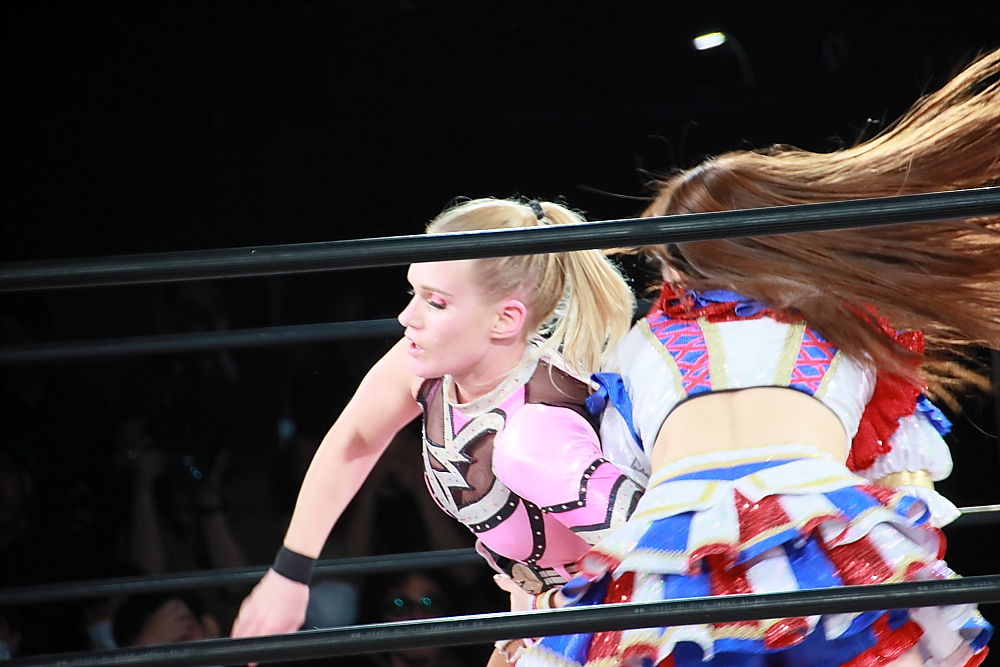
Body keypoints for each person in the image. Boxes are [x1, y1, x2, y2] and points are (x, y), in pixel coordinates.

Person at [517, 50, 999, 667]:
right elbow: (906, 483)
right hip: (818, 533)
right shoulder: (850, 321)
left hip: (674, 549)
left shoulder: (636, 345)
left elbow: (624, 473)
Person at [231, 198, 643, 660]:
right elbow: (355, 441)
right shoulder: (424, 366)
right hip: (540, 615)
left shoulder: (537, 434)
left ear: (505, 319)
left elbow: (658, 549)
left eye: (436, 302)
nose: (407, 317)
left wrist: (550, 609)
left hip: (601, 626)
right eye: (413, 292)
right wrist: (289, 573)